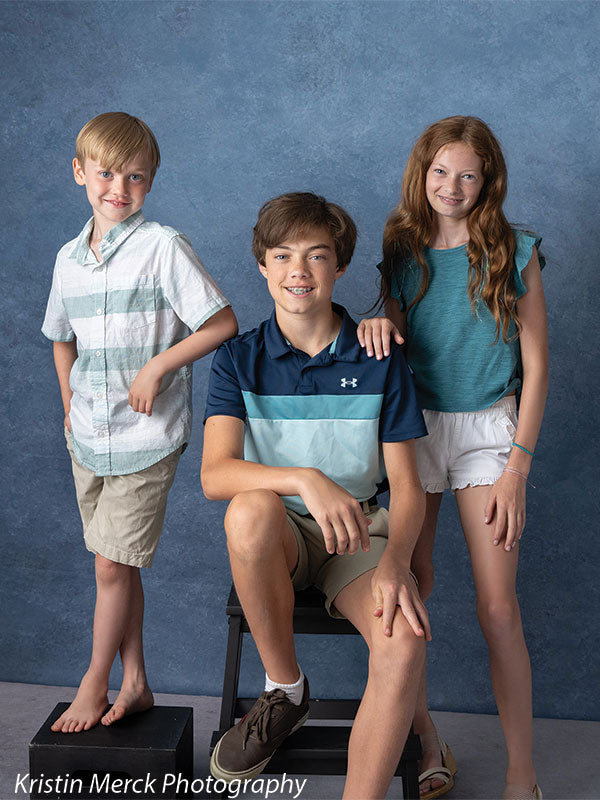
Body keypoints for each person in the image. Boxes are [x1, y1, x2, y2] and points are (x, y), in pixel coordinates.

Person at [201, 192, 431, 799]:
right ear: (262, 265)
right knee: (248, 509)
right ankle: (285, 690)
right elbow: (215, 475)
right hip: (280, 537)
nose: (298, 270)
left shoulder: (379, 356)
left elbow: (409, 487)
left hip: (358, 538)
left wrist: (397, 562)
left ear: (340, 266)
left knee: (404, 643)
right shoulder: (237, 359)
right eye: (282, 255)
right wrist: (305, 478)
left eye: (316, 255)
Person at [357, 116, 548, 800]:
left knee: (497, 608)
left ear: (487, 181)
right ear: (423, 173)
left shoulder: (514, 250)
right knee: (410, 589)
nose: (452, 186)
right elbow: (397, 334)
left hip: (491, 432)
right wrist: (379, 319)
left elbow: (537, 366)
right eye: (441, 171)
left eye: (468, 174)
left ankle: (522, 774)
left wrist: (517, 468)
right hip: (415, 428)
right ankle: (427, 742)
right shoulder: (402, 245)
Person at [42, 111, 238, 733]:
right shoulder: (67, 260)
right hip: (86, 434)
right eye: (106, 174)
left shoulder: (163, 247)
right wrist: (68, 403)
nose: (119, 189)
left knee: (109, 565)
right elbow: (61, 337)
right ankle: (137, 682)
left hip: (146, 437)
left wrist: (157, 367)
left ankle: (92, 683)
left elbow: (221, 322)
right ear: (80, 173)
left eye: (135, 177)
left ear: (151, 181)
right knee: (116, 563)